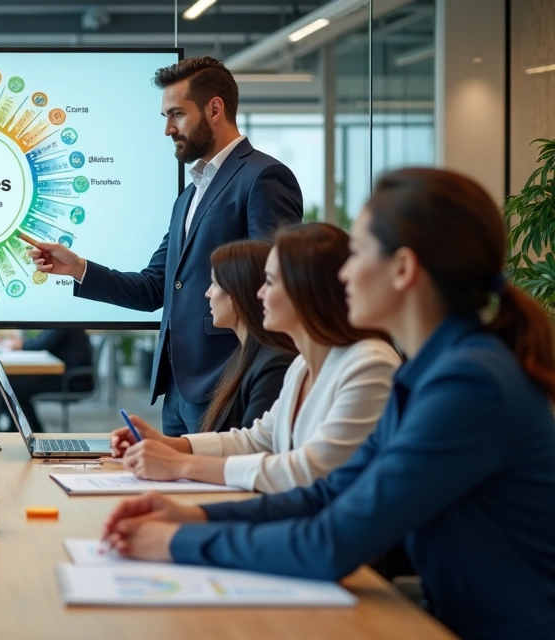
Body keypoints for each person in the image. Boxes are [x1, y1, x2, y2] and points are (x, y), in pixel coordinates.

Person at [102, 168, 555, 640]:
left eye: (356, 253)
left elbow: (330, 542)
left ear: (402, 269)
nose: (342, 273)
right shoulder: (429, 373)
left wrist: (175, 541)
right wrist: (192, 515)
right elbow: (329, 492)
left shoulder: (468, 384)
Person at [27, 56, 303, 436]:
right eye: (165, 117)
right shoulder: (188, 196)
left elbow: (271, 284)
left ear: (215, 109)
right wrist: (78, 268)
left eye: (177, 114)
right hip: (177, 388)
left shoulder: (263, 177)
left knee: (213, 492)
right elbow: (155, 286)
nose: (168, 129)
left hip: (228, 382)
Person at [111, 224, 400, 493]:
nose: (259, 293)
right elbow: (255, 440)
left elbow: (308, 470)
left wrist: (181, 464)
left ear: (307, 291)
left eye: (270, 282)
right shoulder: (302, 366)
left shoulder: (369, 364)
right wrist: (170, 445)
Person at [114, 239, 295, 439]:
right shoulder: (242, 358)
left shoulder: (271, 366)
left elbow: (249, 452)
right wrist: (158, 444)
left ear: (240, 291)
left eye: (215, 283)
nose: (207, 293)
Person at [0, 329, 95, 433]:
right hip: (66, 375)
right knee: (11, 383)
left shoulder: (62, 320)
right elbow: (42, 342)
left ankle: (30, 430)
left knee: (12, 386)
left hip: (72, 380)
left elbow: (40, 344)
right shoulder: (62, 319)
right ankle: (27, 429)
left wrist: (21, 343)